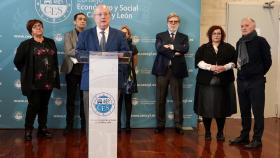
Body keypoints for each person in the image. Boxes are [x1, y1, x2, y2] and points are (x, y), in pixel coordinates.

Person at [76, 4, 129, 135]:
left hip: (113, 80)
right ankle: (92, 148)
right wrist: (97, 58)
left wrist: (114, 68)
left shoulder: (120, 35)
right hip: (90, 80)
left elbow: (126, 54)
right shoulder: (84, 34)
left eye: (106, 14)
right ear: (94, 17)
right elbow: (78, 54)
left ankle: (109, 146)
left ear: (110, 17)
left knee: (110, 117)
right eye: (99, 14)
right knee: (91, 116)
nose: (103, 17)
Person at [14, 19, 60, 141]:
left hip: (48, 80)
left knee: (44, 106)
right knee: (34, 105)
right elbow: (17, 61)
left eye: (40, 26)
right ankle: (28, 129)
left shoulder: (50, 42)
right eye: (35, 27)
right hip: (33, 82)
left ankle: (42, 129)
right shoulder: (26, 44)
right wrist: (26, 72)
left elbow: (54, 60)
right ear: (31, 31)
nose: (38, 28)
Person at [229, 17, 272, 148]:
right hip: (242, 81)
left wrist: (257, 73)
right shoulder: (239, 42)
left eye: (246, 25)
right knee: (244, 110)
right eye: (242, 25)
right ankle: (244, 136)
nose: (243, 27)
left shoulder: (261, 41)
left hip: (256, 82)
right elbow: (238, 62)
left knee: (257, 111)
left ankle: (257, 139)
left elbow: (267, 62)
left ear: (253, 26)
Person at [194, 25, 237, 141]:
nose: (217, 35)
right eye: (214, 33)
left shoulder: (229, 48)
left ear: (222, 35)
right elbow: (198, 62)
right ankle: (207, 132)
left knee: (221, 109)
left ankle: (220, 132)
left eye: (219, 33)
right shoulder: (203, 48)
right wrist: (210, 67)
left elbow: (234, 62)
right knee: (206, 109)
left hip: (224, 83)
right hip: (206, 83)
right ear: (210, 35)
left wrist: (225, 67)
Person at [152, 12, 189, 134]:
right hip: (162, 70)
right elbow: (159, 48)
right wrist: (175, 52)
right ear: (167, 23)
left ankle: (178, 125)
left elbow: (185, 49)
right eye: (171, 21)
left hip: (177, 71)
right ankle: (160, 124)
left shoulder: (184, 37)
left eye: (175, 21)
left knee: (177, 100)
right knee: (160, 99)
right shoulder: (160, 35)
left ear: (179, 23)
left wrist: (171, 46)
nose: (173, 23)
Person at [61, 12, 87, 134]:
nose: (82, 21)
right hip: (71, 71)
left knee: (84, 101)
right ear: (74, 22)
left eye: (84, 19)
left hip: (86, 72)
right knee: (70, 100)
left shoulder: (90, 35)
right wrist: (84, 52)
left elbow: (92, 51)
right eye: (80, 19)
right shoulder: (68, 35)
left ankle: (84, 126)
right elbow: (68, 51)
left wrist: (82, 52)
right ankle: (69, 126)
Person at [118, 25, 138, 132]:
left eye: (125, 33)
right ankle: (118, 125)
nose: (123, 34)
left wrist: (129, 70)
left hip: (129, 76)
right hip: (118, 75)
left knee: (128, 102)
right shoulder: (115, 45)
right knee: (118, 101)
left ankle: (128, 125)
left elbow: (135, 63)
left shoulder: (133, 47)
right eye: (121, 33)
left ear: (129, 35)